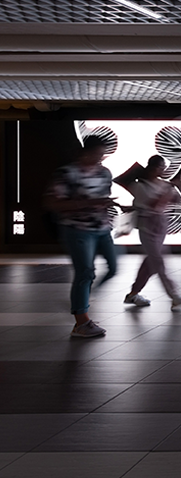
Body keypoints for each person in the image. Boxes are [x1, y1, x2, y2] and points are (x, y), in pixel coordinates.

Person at [44, 135, 118, 338]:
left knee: (113, 268)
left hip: (102, 228)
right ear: (85, 152)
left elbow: (102, 199)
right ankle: (81, 321)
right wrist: (87, 203)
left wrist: (109, 206)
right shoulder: (67, 173)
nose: (100, 158)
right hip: (77, 229)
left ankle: (83, 297)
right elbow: (53, 203)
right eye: (97, 154)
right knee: (85, 271)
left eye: (102, 155)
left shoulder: (104, 173)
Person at [116, 155, 181, 310]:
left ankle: (133, 294)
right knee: (159, 262)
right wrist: (169, 189)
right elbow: (154, 204)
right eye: (160, 167)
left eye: (163, 168)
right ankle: (174, 295)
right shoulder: (139, 185)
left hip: (160, 226)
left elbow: (177, 201)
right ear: (152, 167)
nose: (162, 170)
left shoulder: (164, 184)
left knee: (150, 264)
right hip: (147, 227)